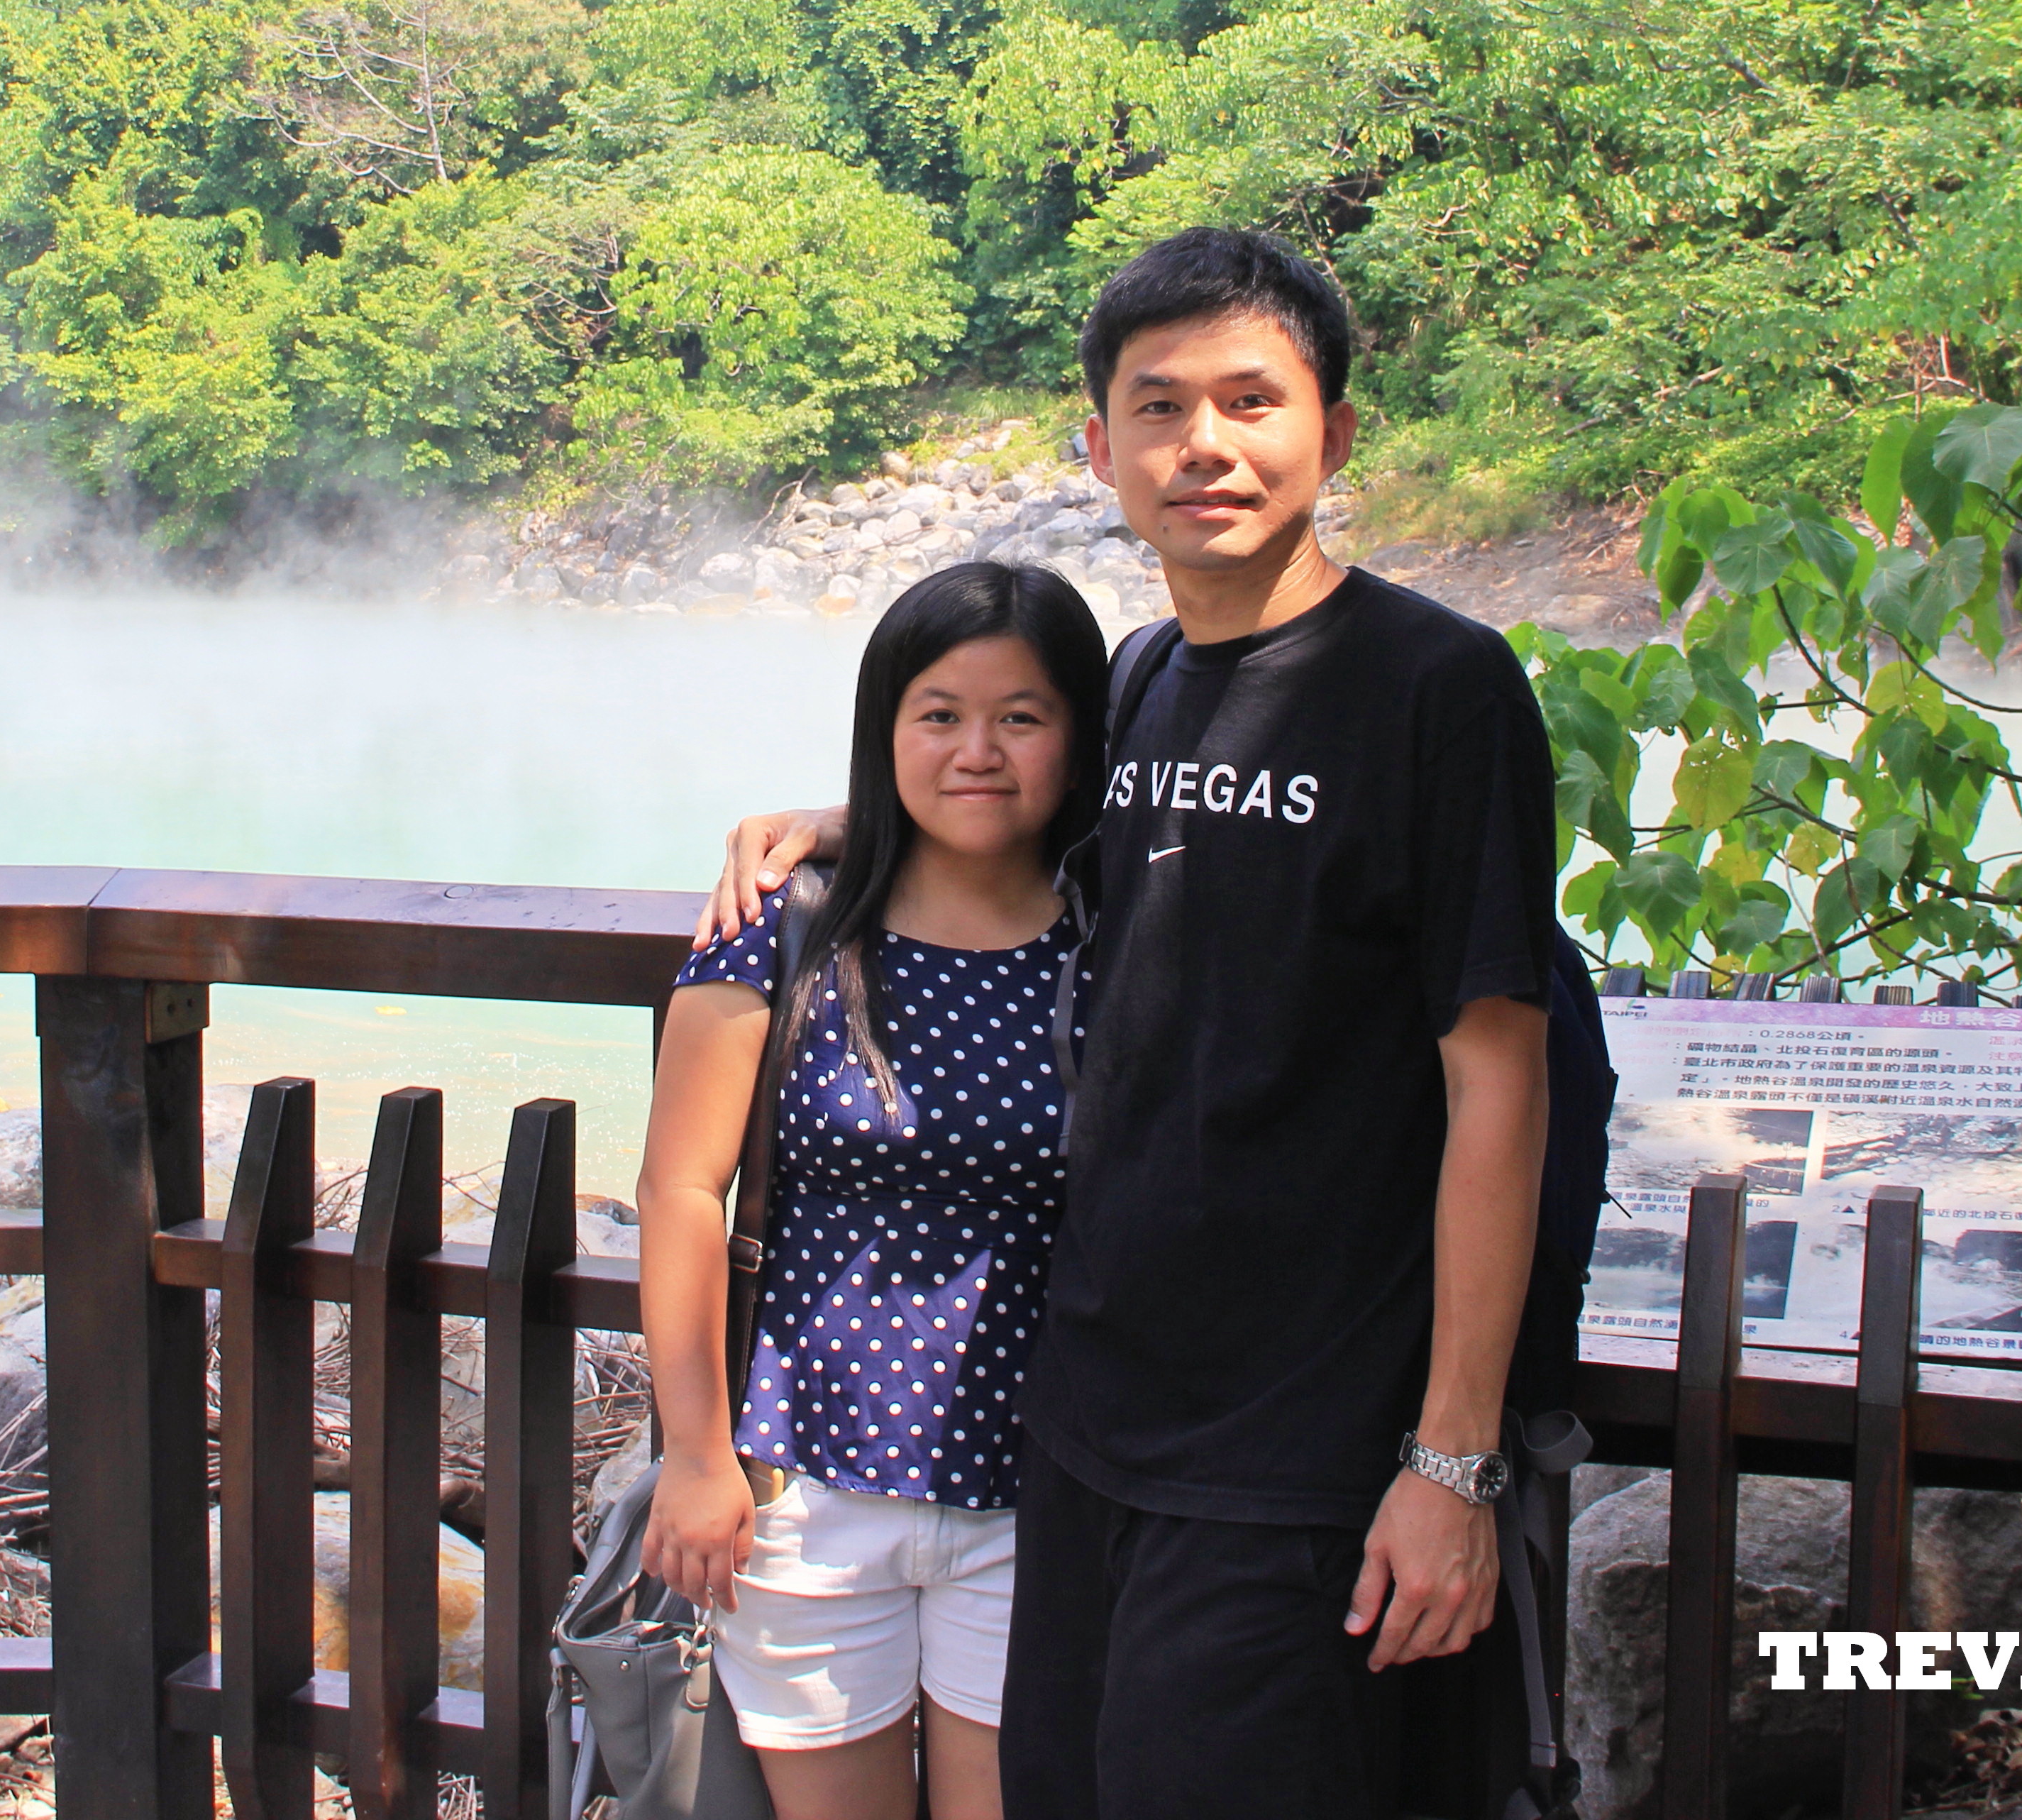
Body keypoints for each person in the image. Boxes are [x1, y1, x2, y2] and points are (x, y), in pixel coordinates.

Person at [703, 228, 1557, 1819]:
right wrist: (845, 825)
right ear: (1099, 447)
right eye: (1160, 408)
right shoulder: (1148, 680)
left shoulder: (1437, 688)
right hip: (1085, 1431)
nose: (1207, 446)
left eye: (1254, 399)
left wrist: (1451, 1464)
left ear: (1336, 431)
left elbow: (1500, 1078)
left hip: (1297, 1445)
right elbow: (1020, 822)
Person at [639, 561, 1112, 1820]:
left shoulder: (1117, 937)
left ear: (1079, 738)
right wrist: (695, 1454)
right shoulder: (786, 922)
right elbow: (682, 1188)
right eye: (939, 714)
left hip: (1040, 1496)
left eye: (1023, 717)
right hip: (804, 1491)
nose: (979, 750)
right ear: (885, 730)